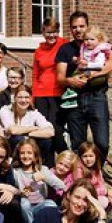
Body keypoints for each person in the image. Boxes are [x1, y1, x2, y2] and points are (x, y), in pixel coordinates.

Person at [56, 11, 112, 159]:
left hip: (97, 97)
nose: (78, 30)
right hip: (74, 99)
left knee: (102, 143)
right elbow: (60, 77)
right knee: (78, 144)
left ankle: (96, 174)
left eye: (81, 26)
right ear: (70, 29)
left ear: (87, 26)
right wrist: (69, 81)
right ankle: (81, 179)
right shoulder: (65, 49)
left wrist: (92, 75)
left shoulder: (100, 44)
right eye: (74, 27)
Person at [32, 17, 68, 153]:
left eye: (55, 32)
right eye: (48, 32)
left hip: (57, 94)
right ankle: (49, 165)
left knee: (56, 130)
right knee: (43, 131)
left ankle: (67, 160)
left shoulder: (64, 45)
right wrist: (33, 97)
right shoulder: (39, 51)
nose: (52, 35)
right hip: (41, 94)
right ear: (43, 33)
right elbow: (35, 75)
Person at [11, 138, 65, 223]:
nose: (25, 156)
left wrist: (44, 178)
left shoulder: (43, 169)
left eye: (29, 153)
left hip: (40, 205)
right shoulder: (16, 172)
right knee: (24, 203)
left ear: (35, 155)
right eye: (22, 153)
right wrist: (21, 192)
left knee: (51, 203)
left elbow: (61, 185)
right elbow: (13, 189)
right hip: (26, 207)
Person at [0, 85, 55, 167]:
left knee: (47, 141)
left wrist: (28, 135)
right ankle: (16, 165)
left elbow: (50, 131)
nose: (23, 100)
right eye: (20, 97)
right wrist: (34, 128)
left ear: (30, 99)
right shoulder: (5, 110)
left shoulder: (33, 112)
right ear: (15, 98)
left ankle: (40, 166)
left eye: (26, 97)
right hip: (10, 144)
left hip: (28, 144)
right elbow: (13, 130)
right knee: (18, 138)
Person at [61, 25, 112, 109]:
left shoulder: (100, 51)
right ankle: (71, 96)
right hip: (86, 70)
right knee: (74, 75)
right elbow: (83, 59)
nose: (88, 42)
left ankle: (72, 95)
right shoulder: (85, 49)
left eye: (92, 39)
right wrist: (77, 60)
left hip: (98, 74)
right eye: (86, 39)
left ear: (98, 40)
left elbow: (99, 64)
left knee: (83, 76)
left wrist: (87, 64)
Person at [74, 141, 112, 211]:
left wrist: (108, 192)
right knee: (104, 202)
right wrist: (105, 191)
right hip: (84, 196)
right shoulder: (78, 169)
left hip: (95, 194)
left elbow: (101, 183)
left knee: (111, 199)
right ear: (80, 157)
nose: (88, 159)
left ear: (96, 156)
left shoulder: (96, 168)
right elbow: (83, 189)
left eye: (91, 156)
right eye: (85, 156)